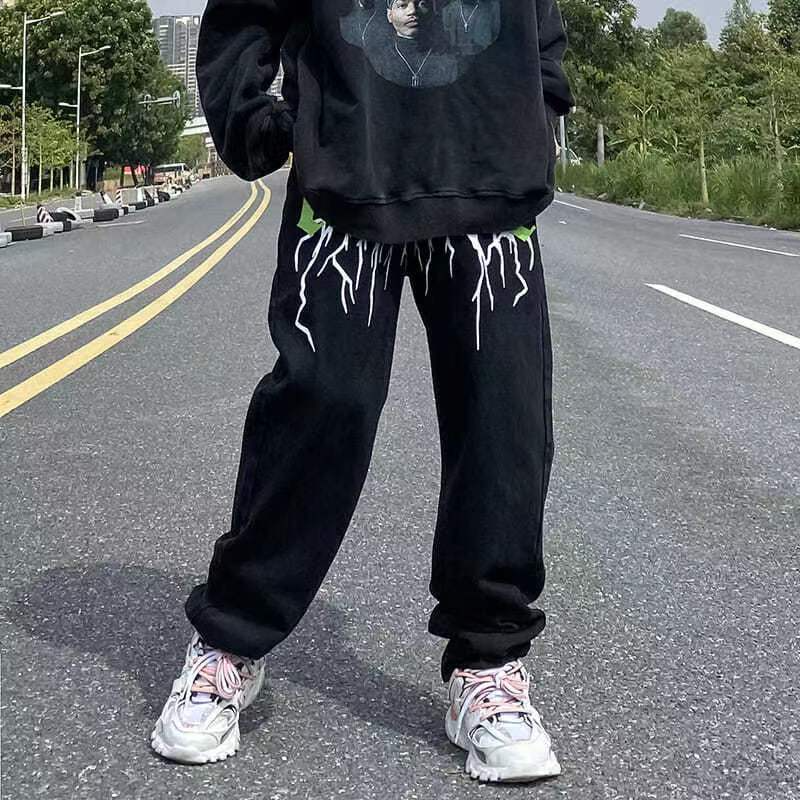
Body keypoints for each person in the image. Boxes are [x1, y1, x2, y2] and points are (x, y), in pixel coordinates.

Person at [150, 0, 574, 784]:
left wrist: (539, 104)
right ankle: (232, 638)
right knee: (321, 402)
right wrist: (262, 124)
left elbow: (537, 18)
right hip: (346, 181)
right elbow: (244, 15)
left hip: (491, 173)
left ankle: (488, 665)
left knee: (503, 419)